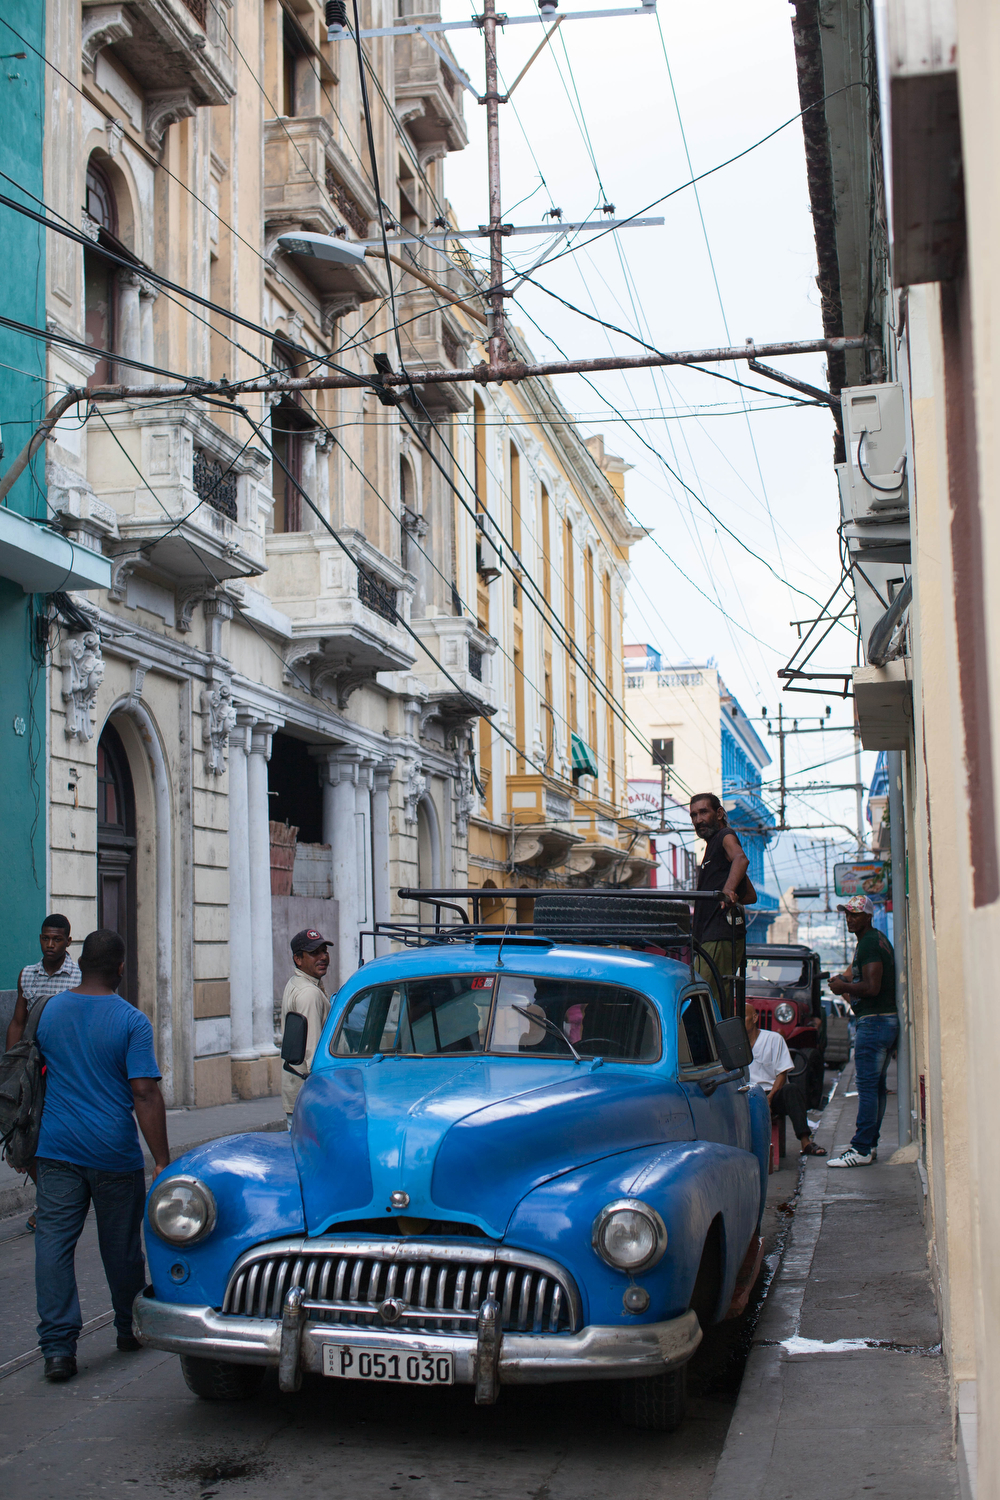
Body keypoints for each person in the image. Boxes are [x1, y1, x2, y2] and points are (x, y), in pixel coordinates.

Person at [33, 928, 169, 1383]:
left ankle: (57, 1349)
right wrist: (163, 1160)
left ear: (81, 962)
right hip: (112, 1153)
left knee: (53, 1246)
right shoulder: (132, 1021)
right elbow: (145, 1093)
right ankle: (129, 1327)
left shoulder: (50, 1011)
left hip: (55, 1150)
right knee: (120, 1247)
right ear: (121, 968)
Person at [827, 894, 898, 1167]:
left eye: (855, 914)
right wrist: (844, 980)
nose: (849, 918)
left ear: (868, 916)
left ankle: (861, 1148)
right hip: (882, 1021)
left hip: (875, 1022)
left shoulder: (869, 943)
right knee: (876, 1087)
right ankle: (869, 1145)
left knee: (867, 1087)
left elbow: (872, 987)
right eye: (847, 913)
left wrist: (843, 988)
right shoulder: (874, 939)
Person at [689, 793, 749, 1010]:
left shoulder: (725, 836)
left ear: (720, 813)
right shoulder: (712, 846)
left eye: (703, 812)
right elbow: (751, 896)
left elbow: (741, 858)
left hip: (720, 934)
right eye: (693, 815)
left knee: (704, 996)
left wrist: (729, 889)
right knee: (709, 998)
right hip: (708, 936)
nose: (697, 820)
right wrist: (733, 890)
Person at [744, 1003, 826, 1157]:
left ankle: (805, 1142)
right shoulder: (735, 1045)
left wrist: (768, 1098)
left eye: (745, 1016)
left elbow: (782, 1074)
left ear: (755, 1018)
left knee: (792, 1090)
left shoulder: (773, 1039)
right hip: (746, 1095)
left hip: (771, 1094)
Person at [6, 913, 81, 1050]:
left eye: (57, 940)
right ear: (40, 938)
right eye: (46, 939)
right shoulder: (27, 974)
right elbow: (18, 1023)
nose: (50, 945)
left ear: (68, 941)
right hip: (33, 1055)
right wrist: (9, 1065)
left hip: (67, 1052)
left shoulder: (80, 976)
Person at [280, 929, 332, 1127]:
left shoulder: (298, 983)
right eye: (314, 953)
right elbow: (313, 1055)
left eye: (324, 951)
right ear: (298, 959)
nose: (323, 957)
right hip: (311, 1098)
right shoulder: (308, 993)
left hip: (300, 1095)